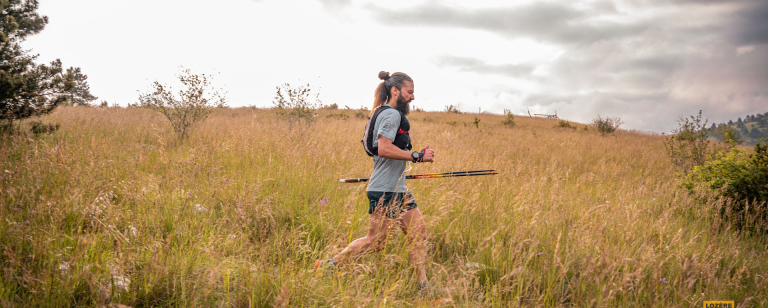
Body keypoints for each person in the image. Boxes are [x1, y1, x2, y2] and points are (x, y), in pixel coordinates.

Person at [316, 71, 436, 292]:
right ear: (395, 90)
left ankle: (423, 287)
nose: (412, 97)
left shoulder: (382, 113)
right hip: (385, 190)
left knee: (418, 234)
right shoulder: (391, 115)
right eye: (409, 92)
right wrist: (416, 156)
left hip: (397, 188)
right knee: (374, 242)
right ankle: (328, 266)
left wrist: (413, 157)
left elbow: (384, 152)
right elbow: (383, 148)